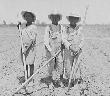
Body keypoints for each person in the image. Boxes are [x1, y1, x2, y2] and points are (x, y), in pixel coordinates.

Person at [41, 12, 64, 87]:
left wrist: (63, 44)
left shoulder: (61, 27)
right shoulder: (48, 28)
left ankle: (60, 80)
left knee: (60, 64)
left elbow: (63, 38)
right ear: (51, 18)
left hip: (59, 50)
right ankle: (50, 81)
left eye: (56, 17)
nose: (55, 18)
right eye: (53, 17)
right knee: (51, 66)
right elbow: (46, 41)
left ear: (59, 18)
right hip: (50, 50)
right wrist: (51, 51)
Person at [61, 13, 84, 87]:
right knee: (68, 66)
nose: (73, 20)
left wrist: (78, 48)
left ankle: (76, 83)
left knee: (76, 66)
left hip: (78, 50)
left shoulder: (80, 29)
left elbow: (83, 40)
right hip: (68, 50)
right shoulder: (65, 28)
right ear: (69, 19)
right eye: (71, 18)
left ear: (77, 20)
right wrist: (70, 46)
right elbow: (63, 39)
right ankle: (69, 80)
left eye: (75, 18)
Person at [18, 11, 37, 80]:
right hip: (23, 47)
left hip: (30, 48)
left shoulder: (33, 27)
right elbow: (21, 36)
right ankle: (26, 77)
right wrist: (19, 28)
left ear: (32, 18)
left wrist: (26, 48)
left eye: (29, 16)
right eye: (26, 16)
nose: (27, 17)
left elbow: (32, 39)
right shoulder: (23, 27)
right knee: (25, 63)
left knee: (31, 63)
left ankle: (31, 78)